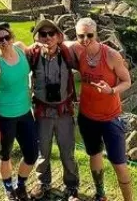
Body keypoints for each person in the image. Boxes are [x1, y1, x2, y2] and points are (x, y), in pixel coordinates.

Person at [69, 17, 134, 201]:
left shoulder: (111, 55)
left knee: (119, 163)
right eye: (81, 36)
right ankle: (100, 194)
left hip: (110, 117)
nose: (85, 39)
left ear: (96, 34)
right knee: (94, 154)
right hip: (87, 116)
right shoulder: (77, 50)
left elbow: (127, 81)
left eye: (90, 35)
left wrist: (111, 90)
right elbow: (58, 42)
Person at [0, 22, 38, 201]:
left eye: (7, 37)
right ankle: (8, 188)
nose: (4, 41)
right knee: (4, 154)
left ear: (12, 37)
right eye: (0, 39)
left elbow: (36, 49)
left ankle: (20, 184)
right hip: (4, 116)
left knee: (31, 153)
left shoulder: (21, 49)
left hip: (24, 112)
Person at [26, 19, 80, 201]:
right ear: (37, 38)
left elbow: (83, 50)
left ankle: (71, 186)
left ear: (59, 36)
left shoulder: (67, 54)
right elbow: (13, 54)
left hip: (64, 112)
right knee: (43, 151)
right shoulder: (33, 55)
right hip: (42, 112)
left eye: (51, 34)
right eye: (43, 34)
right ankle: (43, 183)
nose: (47, 37)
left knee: (67, 152)